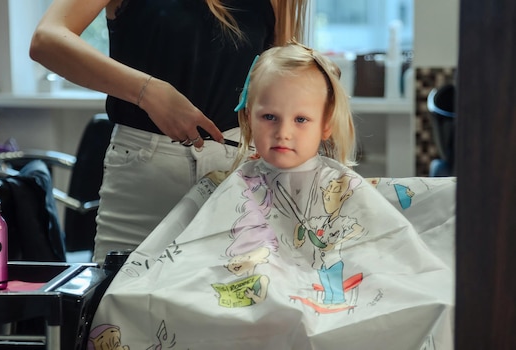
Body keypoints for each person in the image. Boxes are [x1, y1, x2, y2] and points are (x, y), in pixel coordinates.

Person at [88, 42, 454, 349]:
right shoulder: (228, 184)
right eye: (269, 117)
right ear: (247, 118)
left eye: (300, 120)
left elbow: (383, 245)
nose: (283, 133)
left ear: (325, 123)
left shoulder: (340, 184)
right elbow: (194, 254)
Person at [29, 0, 310, 263]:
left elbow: (277, 84)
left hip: (239, 176)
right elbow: (47, 39)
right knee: (120, 308)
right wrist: (148, 92)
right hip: (144, 175)